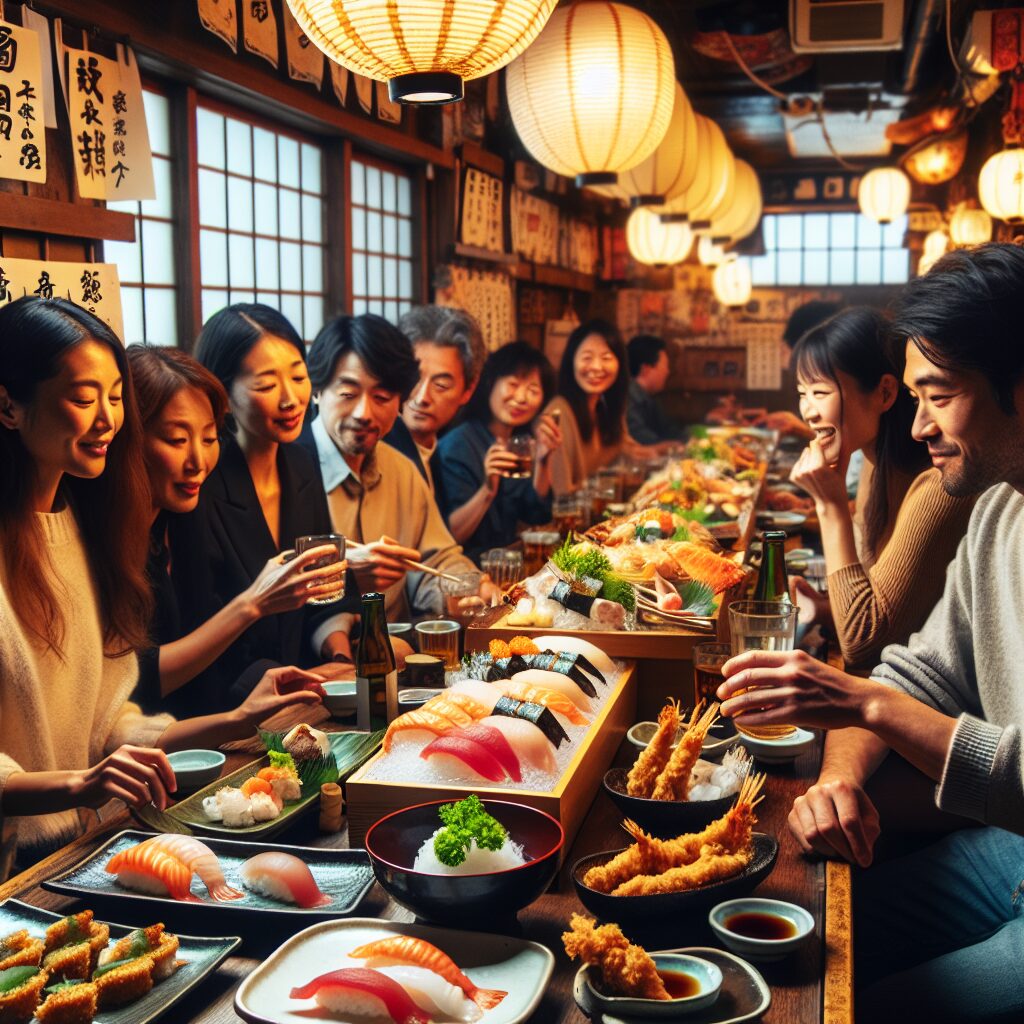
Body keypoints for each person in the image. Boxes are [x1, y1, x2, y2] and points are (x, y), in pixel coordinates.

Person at [717, 243, 1024, 1024]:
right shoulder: (998, 508)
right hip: (1009, 850)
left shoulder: (961, 492)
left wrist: (864, 705)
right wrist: (838, 779)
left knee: (854, 1010)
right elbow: (913, 671)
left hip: (1006, 838)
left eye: (941, 395)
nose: (919, 424)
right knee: (780, 950)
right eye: (914, 397)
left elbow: (869, 672)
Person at [0, 297, 325, 880]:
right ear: (7, 403)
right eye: (82, 398)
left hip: (85, 846)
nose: (107, 420)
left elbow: (110, 723)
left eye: (115, 398)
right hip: (17, 865)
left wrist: (239, 719)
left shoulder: (75, 527)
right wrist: (80, 782)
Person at [127, 345, 347, 714]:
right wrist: (253, 603)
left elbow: (219, 655)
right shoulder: (110, 537)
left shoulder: (181, 517)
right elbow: (132, 682)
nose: (198, 461)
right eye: (178, 440)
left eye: (209, 438)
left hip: (210, 723)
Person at [175, 304, 360, 714]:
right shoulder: (197, 483)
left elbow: (326, 590)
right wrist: (295, 681)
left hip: (305, 688)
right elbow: (203, 631)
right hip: (227, 707)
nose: (291, 398)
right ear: (223, 391)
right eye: (265, 384)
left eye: (297, 376)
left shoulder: (300, 464)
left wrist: (339, 658)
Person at [788, 307, 976, 670]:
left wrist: (831, 505)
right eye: (802, 393)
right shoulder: (876, 466)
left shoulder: (939, 486)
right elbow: (883, 606)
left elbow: (864, 645)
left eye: (820, 392)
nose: (808, 412)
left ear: (886, 392)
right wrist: (825, 608)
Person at [301, 313, 497, 621]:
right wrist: (349, 573)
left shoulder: (402, 471)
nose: (364, 413)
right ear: (317, 391)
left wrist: (468, 587)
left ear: (399, 402)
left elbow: (438, 559)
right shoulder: (289, 470)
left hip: (398, 648)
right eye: (348, 394)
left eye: (381, 397)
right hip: (314, 660)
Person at [437, 342, 562, 560]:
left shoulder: (517, 443)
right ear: (491, 383)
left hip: (507, 565)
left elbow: (536, 514)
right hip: (465, 572)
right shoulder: (458, 445)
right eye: (513, 384)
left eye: (533, 390)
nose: (522, 398)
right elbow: (450, 537)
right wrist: (487, 490)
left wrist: (544, 459)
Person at [384, 305, 486, 512]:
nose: (422, 398)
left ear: (469, 389)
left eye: (441, 385)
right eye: (414, 378)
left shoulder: (437, 449)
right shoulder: (378, 450)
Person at [545, 320, 631, 496]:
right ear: (571, 362)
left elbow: (628, 454)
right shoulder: (558, 412)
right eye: (587, 358)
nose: (596, 367)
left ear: (619, 364)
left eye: (606, 358)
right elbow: (561, 495)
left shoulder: (605, 406)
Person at [626, 334, 684, 445]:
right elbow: (648, 442)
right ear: (646, 369)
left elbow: (669, 431)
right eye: (664, 366)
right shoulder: (627, 400)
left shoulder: (648, 396)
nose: (667, 371)